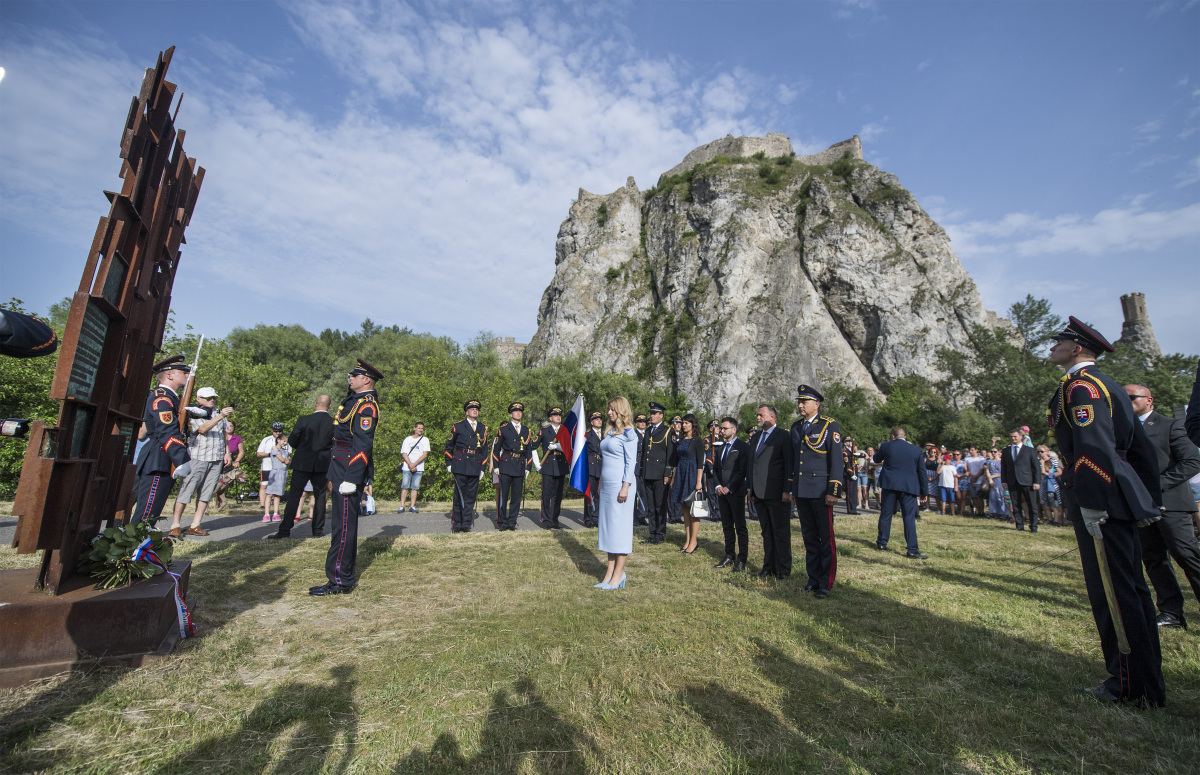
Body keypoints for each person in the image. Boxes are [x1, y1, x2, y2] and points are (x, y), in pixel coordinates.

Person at [1047, 317, 1164, 706]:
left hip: (1102, 497)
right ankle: (1145, 682)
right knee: (1131, 587)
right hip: (1118, 494)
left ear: (1077, 348)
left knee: (1114, 593)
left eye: (1059, 341)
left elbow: (1093, 447)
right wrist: (1147, 497)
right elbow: (1142, 451)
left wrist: (1094, 502)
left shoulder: (1082, 386)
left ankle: (1127, 684)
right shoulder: (1108, 385)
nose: (1052, 346)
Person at [1124, 383, 1200, 630]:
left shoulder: (1170, 425)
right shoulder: (1124, 430)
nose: (1127, 401)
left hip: (1172, 505)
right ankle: (1171, 612)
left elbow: (1192, 461)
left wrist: (1156, 486)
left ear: (1148, 399)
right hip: (1142, 506)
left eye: (1132, 397)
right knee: (1154, 559)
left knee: (1187, 556)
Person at [310, 359, 382, 596]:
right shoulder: (353, 401)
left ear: (366, 379)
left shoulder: (367, 406)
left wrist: (352, 477)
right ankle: (338, 576)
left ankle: (341, 579)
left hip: (348, 470)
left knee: (343, 527)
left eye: (355, 375)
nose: (349, 378)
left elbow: (362, 445)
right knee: (339, 525)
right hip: (339, 467)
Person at [788, 385, 846, 597]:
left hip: (822, 491)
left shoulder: (829, 425)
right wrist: (792, 488)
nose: (800, 405)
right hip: (802, 490)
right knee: (809, 538)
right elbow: (795, 461)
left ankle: (825, 582)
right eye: (799, 402)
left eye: (804, 402)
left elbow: (837, 460)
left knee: (825, 539)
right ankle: (812, 578)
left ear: (816, 404)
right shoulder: (796, 427)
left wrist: (834, 490)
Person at [132, 355, 192, 524]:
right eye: (183, 372)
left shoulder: (172, 397)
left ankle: (140, 548)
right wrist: (181, 458)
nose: (187, 375)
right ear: (169, 375)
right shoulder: (162, 397)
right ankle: (135, 548)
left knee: (152, 514)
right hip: (159, 458)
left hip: (164, 457)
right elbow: (167, 431)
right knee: (146, 515)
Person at [167, 386, 233, 538]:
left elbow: (225, 433)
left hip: (216, 457)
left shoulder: (217, 412)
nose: (212, 400)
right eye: (208, 398)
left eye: (213, 398)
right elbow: (202, 429)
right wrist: (221, 415)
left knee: (207, 492)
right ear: (199, 399)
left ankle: (195, 524)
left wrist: (227, 451)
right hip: (198, 456)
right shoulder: (194, 412)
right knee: (187, 490)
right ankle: (175, 525)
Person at [267, 395, 334, 540]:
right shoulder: (334, 422)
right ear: (329, 406)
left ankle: (284, 530)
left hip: (303, 462)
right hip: (322, 463)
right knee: (320, 496)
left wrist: (303, 449)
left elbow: (293, 440)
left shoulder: (303, 420)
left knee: (295, 496)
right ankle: (317, 530)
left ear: (315, 405)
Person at [595, 397, 639, 590]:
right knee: (608, 530)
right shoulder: (611, 432)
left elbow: (631, 462)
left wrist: (625, 486)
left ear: (621, 410)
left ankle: (619, 574)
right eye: (608, 410)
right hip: (606, 486)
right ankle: (609, 573)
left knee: (619, 530)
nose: (609, 413)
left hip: (621, 486)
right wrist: (600, 482)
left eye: (613, 410)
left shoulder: (629, 432)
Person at [747, 404, 795, 579]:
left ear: (772, 417)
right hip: (759, 492)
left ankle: (783, 569)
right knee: (766, 532)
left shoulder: (783, 436)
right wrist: (750, 488)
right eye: (757, 415)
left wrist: (787, 490)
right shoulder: (756, 437)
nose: (758, 418)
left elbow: (789, 464)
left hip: (777, 493)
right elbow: (752, 464)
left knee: (780, 532)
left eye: (761, 415)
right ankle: (768, 566)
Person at [873, 428, 927, 559]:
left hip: (890, 485)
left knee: (886, 514)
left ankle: (882, 542)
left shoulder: (886, 446)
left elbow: (876, 458)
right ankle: (912, 549)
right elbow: (922, 472)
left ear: (892, 436)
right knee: (908, 517)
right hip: (908, 486)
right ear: (905, 436)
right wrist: (924, 492)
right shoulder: (917, 450)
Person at [490, 403, 537, 531]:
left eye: (520, 411)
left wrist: (528, 467)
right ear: (511, 414)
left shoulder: (526, 430)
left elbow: (529, 451)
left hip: (520, 465)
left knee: (516, 497)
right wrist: (496, 465)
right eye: (515, 411)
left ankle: (512, 522)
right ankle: (502, 522)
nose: (518, 413)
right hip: (505, 464)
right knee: (504, 496)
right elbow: (496, 449)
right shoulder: (504, 429)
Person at [712, 416, 750, 572]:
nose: (721, 431)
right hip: (722, 492)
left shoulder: (742, 447)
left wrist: (730, 487)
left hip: (736, 492)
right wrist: (718, 486)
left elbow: (742, 470)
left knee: (740, 526)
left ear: (734, 430)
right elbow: (715, 470)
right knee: (727, 525)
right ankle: (729, 555)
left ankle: (741, 559)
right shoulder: (720, 447)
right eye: (721, 428)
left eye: (724, 428)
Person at [445, 399, 489, 533]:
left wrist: (483, 468)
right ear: (467, 412)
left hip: (475, 464)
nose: (475, 410)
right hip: (460, 463)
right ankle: (457, 523)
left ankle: (466, 523)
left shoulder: (483, 427)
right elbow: (449, 446)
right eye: (472, 409)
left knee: (470, 496)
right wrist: (449, 462)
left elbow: (485, 449)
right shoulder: (458, 426)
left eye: (477, 409)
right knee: (458, 496)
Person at [668, 413, 706, 554]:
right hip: (681, 474)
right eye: (683, 423)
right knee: (684, 507)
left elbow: (700, 463)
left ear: (693, 424)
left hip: (692, 474)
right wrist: (673, 478)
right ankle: (688, 539)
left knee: (693, 509)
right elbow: (677, 460)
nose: (683, 425)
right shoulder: (681, 439)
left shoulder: (697, 441)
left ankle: (694, 541)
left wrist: (698, 482)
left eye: (686, 423)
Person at [639, 402, 674, 544]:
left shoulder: (667, 431)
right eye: (651, 413)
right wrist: (642, 471)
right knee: (651, 506)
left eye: (654, 414)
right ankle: (652, 533)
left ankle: (660, 533)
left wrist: (667, 473)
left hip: (660, 474)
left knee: (660, 505)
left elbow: (670, 453)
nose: (651, 416)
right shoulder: (648, 431)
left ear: (661, 415)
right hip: (648, 473)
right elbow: (644, 453)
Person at [1001, 428, 1041, 532]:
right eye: (1011, 437)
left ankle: (1033, 526)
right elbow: (1003, 467)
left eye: (1015, 436)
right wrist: (1004, 481)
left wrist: (1037, 482)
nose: (1013, 438)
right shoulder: (1006, 451)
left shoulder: (1029, 450)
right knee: (1016, 505)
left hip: (1028, 481)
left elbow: (1036, 467)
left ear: (1020, 437)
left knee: (1032, 505)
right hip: (1012, 481)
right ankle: (1019, 525)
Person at [537, 407, 569, 530]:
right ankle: (546, 520)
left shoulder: (565, 431)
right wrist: (536, 463)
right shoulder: (544, 431)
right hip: (548, 466)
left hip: (561, 465)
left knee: (557, 495)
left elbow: (569, 446)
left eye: (559, 415)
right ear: (550, 418)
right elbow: (533, 446)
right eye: (555, 415)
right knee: (547, 494)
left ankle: (554, 520)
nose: (558, 417)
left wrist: (558, 446)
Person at [399, 422, 430, 514]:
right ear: (414, 428)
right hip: (407, 467)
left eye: (422, 428)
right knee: (405, 486)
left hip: (419, 467)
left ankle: (412, 506)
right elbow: (403, 453)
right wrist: (410, 464)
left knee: (415, 487)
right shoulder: (407, 439)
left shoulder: (425, 440)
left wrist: (415, 464)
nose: (420, 430)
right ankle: (402, 506)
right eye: (419, 428)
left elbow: (425, 454)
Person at [583, 411, 604, 528]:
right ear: (591, 422)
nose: (599, 420)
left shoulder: (606, 434)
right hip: (591, 467)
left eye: (600, 419)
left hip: (603, 467)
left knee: (600, 494)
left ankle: (597, 518)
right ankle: (589, 519)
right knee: (590, 494)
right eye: (596, 419)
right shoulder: (587, 435)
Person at [264, 430, 292, 520]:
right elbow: (282, 459)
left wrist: (288, 460)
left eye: (286, 442)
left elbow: (288, 461)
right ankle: (266, 514)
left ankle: (276, 513)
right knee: (269, 494)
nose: (285, 443)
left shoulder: (285, 451)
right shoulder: (274, 449)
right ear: (278, 440)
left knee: (278, 495)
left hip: (283, 473)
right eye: (284, 441)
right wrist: (286, 460)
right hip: (275, 473)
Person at [256, 425, 284, 513]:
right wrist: (271, 454)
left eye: (280, 431)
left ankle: (273, 504)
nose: (278, 433)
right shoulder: (266, 439)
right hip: (266, 466)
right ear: (272, 431)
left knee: (276, 485)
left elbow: (288, 453)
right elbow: (259, 453)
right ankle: (262, 504)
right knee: (264, 485)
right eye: (276, 431)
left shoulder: (284, 440)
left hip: (279, 467)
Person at [666, 415, 685, 525]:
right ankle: (672, 515)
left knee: (679, 491)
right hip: (672, 466)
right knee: (671, 492)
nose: (679, 425)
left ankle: (678, 515)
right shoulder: (670, 435)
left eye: (680, 423)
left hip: (680, 467)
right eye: (676, 423)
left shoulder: (682, 436)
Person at [1037, 446, 1062, 525]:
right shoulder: (1037, 461)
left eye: (1042, 451)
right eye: (1038, 452)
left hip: (1052, 485)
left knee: (1055, 504)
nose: (1040, 453)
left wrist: (1051, 475)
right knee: (1045, 504)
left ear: (1047, 451)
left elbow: (1059, 471)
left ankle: (1058, 520)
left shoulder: (1053, 461)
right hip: (1042, 485)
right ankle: (1049, 520)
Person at [632, 413, 650, 526]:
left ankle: (642, 515)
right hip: (636, 465)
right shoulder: (633, 434)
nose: (643, 423)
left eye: (644, 421)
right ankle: (634, 517)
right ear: (636, 423)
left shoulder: (648, 434)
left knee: (644, 493)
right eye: (640, 421)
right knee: (634, 493)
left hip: (646, 467)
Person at [964, 446, 987, 516]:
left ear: (976, 450)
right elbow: (966, 467)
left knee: (979, 497)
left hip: (979, 481)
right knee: (974, 497)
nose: (971, 452)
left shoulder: (981, 459)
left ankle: (982, 512)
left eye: (972, 450)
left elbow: (982, 469)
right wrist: (971, 475)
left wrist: (976, 476)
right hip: (970, 480)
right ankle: (978, 511)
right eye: (970, 450)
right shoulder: (967, 458)